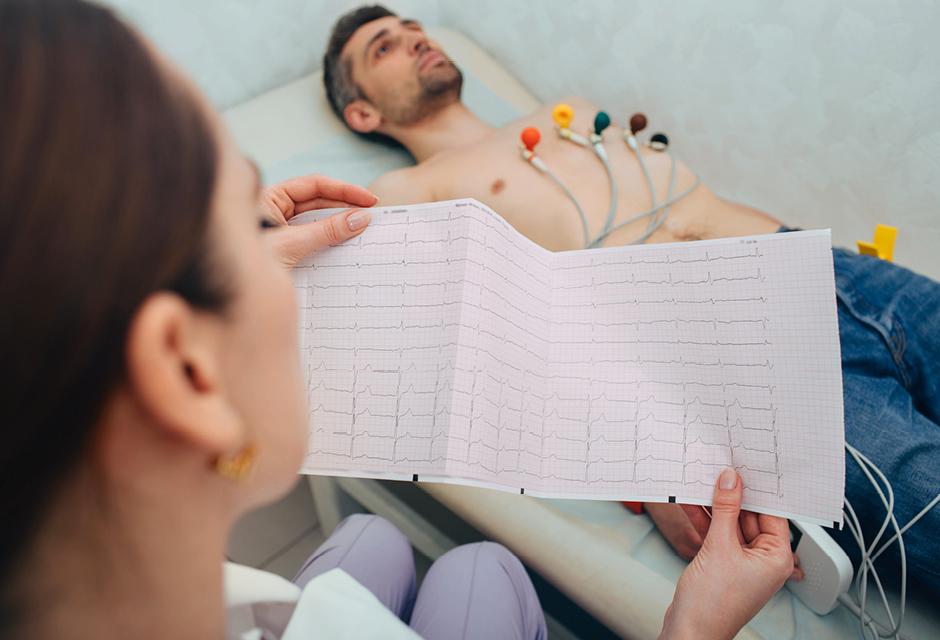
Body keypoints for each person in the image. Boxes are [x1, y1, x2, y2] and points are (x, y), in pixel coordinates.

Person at [0, 1, 796, 639]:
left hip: (803, 264)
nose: (287, 256)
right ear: (187, 373)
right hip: (737, 342)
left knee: (404, 555)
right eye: (249, 225)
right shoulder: (416, 202)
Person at [321, 5, 940, 599]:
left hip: (828, 268)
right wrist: (649, 479)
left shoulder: (568, 112)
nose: (415, 39)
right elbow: (500, 350)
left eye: (413, 28)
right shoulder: (407, 192)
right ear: (362, 114)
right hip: (738, 348)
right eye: (386, 47)